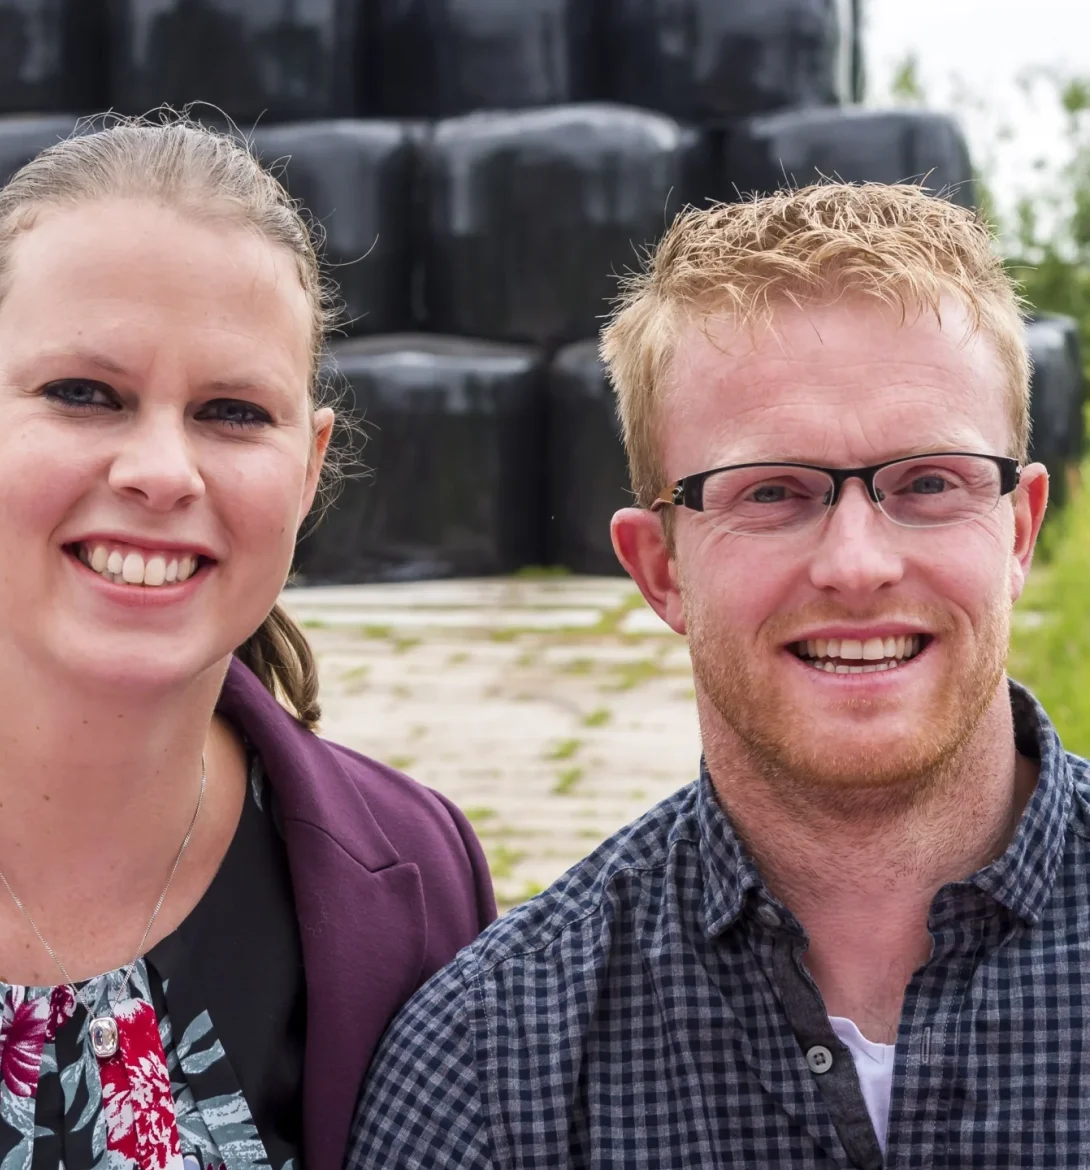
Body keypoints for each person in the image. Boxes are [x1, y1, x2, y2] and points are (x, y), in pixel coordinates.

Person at [345, 182, 1088, 1169]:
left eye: (929, 483)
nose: (857, 564)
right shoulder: (488, 1066)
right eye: (774, 492)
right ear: (660, 569)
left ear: (1020, 529)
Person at [0, 115, 495, 1170]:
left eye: (232, 412)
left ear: (311, 467)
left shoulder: (419, 882)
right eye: (84, 394)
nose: (162, 471)